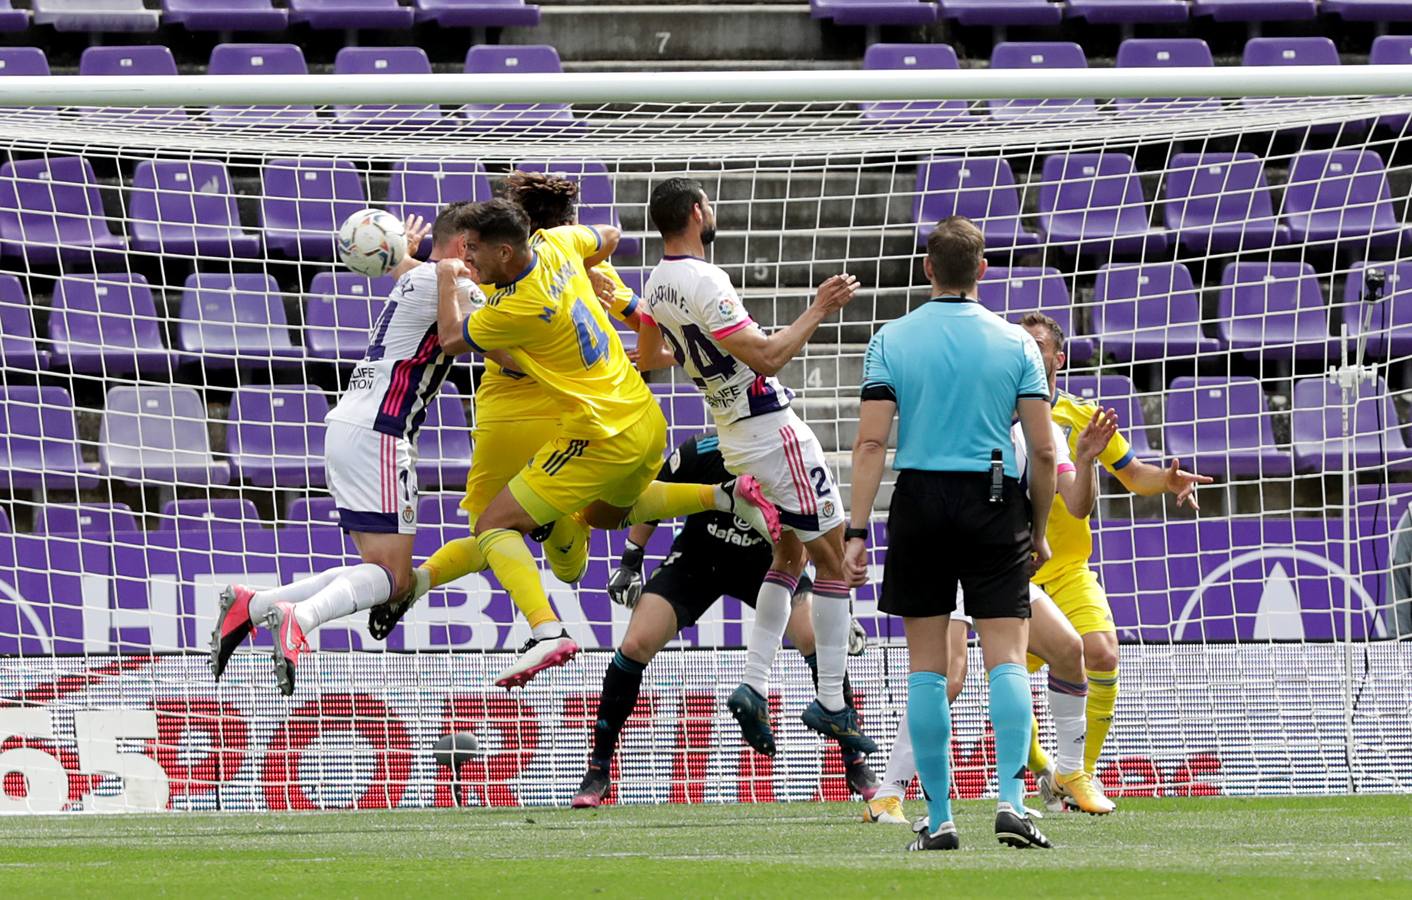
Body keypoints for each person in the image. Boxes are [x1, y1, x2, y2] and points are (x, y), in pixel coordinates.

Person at [431, 198, 781, 688]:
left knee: (493, 524)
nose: (470, 261)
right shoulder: (555, 242)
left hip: (598, 433)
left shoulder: (517, 307)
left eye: (475, 252)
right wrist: (591, 271)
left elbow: (450, 339)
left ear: (507, 251)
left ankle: (546, 631)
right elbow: (611, 234)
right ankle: (727, 497)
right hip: (642, 415)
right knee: (606, 516)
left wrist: (447, 278)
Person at [367, 171, 644, 683]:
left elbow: (448, 299)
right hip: (573, 414)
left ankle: (424, 583)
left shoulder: (493, 282)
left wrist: (402, 260)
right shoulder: (571, 258)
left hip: (504, 411)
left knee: (489, 527)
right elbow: (625, 274)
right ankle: (561, 535)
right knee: (571, 558)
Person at [634, 177, 873, 758]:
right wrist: (820, 305)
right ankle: (833, 705)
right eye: (708, 205)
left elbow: (647, 358)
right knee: (838, 563)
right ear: (696, 212)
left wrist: (683, 343)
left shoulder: (656, 282)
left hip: (733, 438)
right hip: (771, 431)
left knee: (787, 556)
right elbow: (769, 356)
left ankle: (755, 684)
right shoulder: (704, 278)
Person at [845, 215, 1057, 851]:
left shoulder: (891, 338)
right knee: (1008, 659)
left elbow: (872, 442)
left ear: (928, 269)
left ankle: (938, 819)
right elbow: (1043, 452)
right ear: (983, 270)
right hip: (995, 497)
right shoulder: (1017, 343)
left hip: (920, 498)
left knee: (927, 667)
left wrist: (857, 530)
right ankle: (1013, 804)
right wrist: (1038, 528)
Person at [207, 210, 478, 695]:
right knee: (393, 579)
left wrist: (408, 257)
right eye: (477, 251)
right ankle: (298, 617)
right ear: (463, 247)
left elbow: (414, 276)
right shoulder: (453, 288)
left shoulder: (420, 277)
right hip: (381, 431)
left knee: (381, 569)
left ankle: (254, 603)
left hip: (352, 426)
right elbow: (496, 330)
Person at [571, 433, 880, 807]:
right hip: (699, 560)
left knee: (815, 636)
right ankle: (598, 768)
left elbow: (821, 534)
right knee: (635, 643)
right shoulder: (700, 453)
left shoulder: (791, 458)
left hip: (770, 563)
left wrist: (840, 612)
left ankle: (855, 761)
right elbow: (652, 497)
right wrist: (631, 560)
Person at [862, 409, 1119, 826]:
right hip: (958, 550)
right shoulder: (972, 414)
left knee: (1070, 650)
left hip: (998, 561)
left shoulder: (1042, 426)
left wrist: (1087, 458)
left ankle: (1069, 773)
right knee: (949, 675)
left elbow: (1076, 504)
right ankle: (889, 793)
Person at [1020, 311, 1211, 794]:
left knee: (1103, 651)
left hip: (1066, 569)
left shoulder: (1082, 416)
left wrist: (1166, 480)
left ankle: (1075, 773)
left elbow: (1131, 473)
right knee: (1009, 683)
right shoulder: (998, 410)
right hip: (1011, 569)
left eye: (1037, 344)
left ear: (1057, 358)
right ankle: (1044, 766)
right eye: (1020, 342)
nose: (1028, 350)